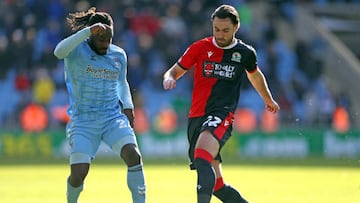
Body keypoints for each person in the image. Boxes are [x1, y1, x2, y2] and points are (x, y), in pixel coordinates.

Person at [163, 4, 280, 203]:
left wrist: (267, 99)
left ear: (236, 27)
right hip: (196, 117)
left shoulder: (245, 53)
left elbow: (255, 76)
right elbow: (174, 70)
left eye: (225, 30)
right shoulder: (200, 48)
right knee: (216, 185)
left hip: (222, 114)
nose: (220, 34)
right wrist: (169, 78)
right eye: (216, 29)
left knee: (201, 154)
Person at [53, 7, 146, 203]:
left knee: (133, 156)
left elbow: (122, 82)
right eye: (101, 39)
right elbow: (58, 52)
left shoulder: (118, 55)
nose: (105, 43)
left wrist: (128, 106)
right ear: (91, 35)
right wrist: (87, 31)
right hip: (83, 121)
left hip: (112, 117)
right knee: (78, 174)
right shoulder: (76, 50)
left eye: (109, 39)